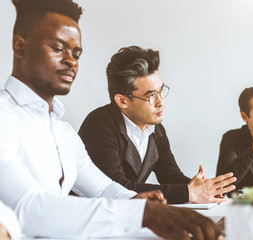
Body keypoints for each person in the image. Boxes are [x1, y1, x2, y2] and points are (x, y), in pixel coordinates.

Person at [0, 0, 221, 239]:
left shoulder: (64, 133)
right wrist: (143, 215)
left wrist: (141, 204)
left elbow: (103, 188)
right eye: (57, 47)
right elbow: (28, 208)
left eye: (76, 53)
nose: (71, 61)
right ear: (19, 47)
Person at [78, 46, 236, 204]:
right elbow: (118, 188)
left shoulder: (156, 129)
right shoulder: (98, 126)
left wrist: (203, 189)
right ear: (122, 101)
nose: (161, 102)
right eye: (151, 95)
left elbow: (171, 176)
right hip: (91, 219)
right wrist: (189, 193)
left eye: (161, 91)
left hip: (128, 217)